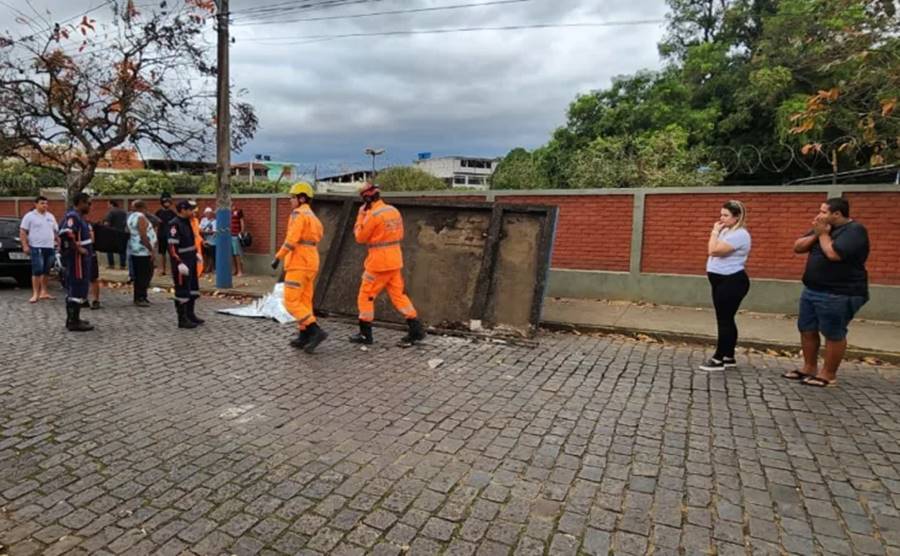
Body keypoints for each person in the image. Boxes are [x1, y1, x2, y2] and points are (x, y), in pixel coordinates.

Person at [785, 197, 869, 388]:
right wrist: (816, 234)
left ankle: (828, 374)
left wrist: (823, 234)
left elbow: (833, 254)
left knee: (833, 333)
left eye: (824, 212)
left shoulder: (855, 231)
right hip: (812, 289)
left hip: (840, 292)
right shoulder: (822, 229)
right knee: (807, 329)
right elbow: (798, 247)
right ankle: (809, 367)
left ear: (837, 214)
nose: (819, 215)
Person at [349, 182, 426, 347]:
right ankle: (416, 329)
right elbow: (401, 233)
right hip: (395, 260)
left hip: (378, 263)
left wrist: (360, 216)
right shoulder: (393, 211)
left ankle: (365, 334)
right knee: (399, 296)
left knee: (365, 296)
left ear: (367, 198)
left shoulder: (372, 215)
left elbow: (360, 237)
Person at [271, 182, 328, 353]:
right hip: (311, 262)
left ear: (302, 198)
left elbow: (292, 239)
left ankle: (314, 330)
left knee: (291, 302)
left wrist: (278, 257)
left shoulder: (298, 214)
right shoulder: (313, 217)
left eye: (292, 197)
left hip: (298, 262)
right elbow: (319, 235)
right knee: (304, 301)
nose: (290, 200)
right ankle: (304, 335)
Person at [699, 200, 752, 371]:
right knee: (726, 319)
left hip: (732, 280)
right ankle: (729, 355)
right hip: (720, 280)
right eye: (721, 214)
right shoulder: (727, 231)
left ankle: (718, 358)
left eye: (726, 215)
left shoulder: (739, 234)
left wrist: (714, 232)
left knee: (724, 320)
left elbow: (713, 250)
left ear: (737, 217)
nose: (721, 218)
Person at [58, 193, 94, 331]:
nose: (90, 207)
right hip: (76, 259)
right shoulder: (72, 216)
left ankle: (76, 317)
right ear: (80, 202)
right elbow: (66, 233)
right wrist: (79, 248)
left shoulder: (80, 217)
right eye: (88, 203)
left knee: (81, 286)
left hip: (83, 259)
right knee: (77, 286)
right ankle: (72, 321)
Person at [167, 200, 203, 329]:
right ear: (182, 210)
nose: (192, 212)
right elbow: (172, 246)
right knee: (182, 290)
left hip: (191, 259)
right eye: (189, 209)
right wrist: (179, 263)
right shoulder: (174, 224)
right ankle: (182, 319)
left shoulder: (187, 222)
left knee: (192, 288)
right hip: (182, 262)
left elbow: (191, 240)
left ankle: (190, 314)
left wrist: (195, 253)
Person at [18, 195, 59, 303]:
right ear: (35, 204)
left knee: (46, 270)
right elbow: (23, 231)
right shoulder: (30, 216)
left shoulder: (50, 216)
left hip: (49, 247)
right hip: (36, 247)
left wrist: (58, 242)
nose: (45, 205)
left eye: (46, 203)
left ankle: (44, 292)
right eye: (42, 203)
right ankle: (35, 293)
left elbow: (55, 231)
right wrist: (25, 245)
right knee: (37, 270)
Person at [127, 200, 157, 307]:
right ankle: (140, 297)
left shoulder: (131, 217)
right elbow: (143, 235)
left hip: (135, 249)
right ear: (143, 207)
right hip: (143, 251)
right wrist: (151, 249)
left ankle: (141, 296)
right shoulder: (141, 217)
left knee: (139, 275)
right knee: (144, 275)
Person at [155, 193, 177, 276]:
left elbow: (175, 226)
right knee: (162, 253)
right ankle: (162, 270)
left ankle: (173, 270)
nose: (167, 203)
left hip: (171, 236)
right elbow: (155, 225)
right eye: (165, 202)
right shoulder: (158, 212)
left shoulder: (172, 213)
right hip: (161, 235)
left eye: (168, 202)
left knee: (172, 253)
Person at [102, 200, 128, 269]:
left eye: (108, 204)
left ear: (111, 204)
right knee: (122, 250)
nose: (108, 206)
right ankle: (122, 265)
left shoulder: (111, 212)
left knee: (109, 249)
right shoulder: (124, 212)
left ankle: (111, 265)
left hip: (112, 233)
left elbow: (106, 223)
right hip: (122, 232)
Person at [199, 207, 216, 275]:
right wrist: (205, 232)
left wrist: (205, 232)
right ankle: (204, 267)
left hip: (212, 241)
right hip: (204, 240)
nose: (208, 214)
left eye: (209, 213)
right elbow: (199, 229)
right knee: (205, 255)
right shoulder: (203, 220)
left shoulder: (215, 221)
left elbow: (214, 231)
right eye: (206, 213)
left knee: (212, 255)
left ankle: (211, 268)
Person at [231, 205, 246, 277]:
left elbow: (242, 221)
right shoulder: (227, 212)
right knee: (232, 254)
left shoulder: (238, 211)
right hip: (229, 235)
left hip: (236, 235)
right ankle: (235, 270)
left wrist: (242, 232)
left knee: (237, 253)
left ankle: (240, 271)